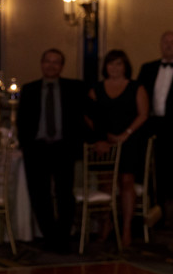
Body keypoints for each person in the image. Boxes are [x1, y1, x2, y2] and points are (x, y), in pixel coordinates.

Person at [17, 49, 87, 253]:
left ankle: (63, 238)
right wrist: (25, 145)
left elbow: (83, 118)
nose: (51, 65)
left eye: (56, 62)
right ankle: (49, 236)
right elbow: (22, 121)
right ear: (42, 64)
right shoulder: (29, 89)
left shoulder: (74, 88)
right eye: (48, 61)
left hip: (63, 148)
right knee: (40, 195)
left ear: (62, 66)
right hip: (36, 149)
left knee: (65, 194)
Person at [87, 50, 149, 247]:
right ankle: (106, 224)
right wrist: (102, 137)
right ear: (105, 67)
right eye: (111, 64)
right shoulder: (96, 88)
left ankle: (127, 228)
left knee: (126, 181)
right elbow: (87, 116)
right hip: (104, 141)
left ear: (125, 66)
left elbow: (143, 114)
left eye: (119, 64)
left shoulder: (136, 87)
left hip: (129, 141)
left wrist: (125, 134)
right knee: (105, 182)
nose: (114, 68)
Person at [138, 30, 173, 225]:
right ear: (160, 45)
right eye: (166, 42)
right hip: (151, 126)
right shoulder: (148, 68)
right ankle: (154, 211)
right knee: (153, 169)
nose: (169, 45)